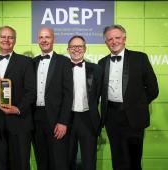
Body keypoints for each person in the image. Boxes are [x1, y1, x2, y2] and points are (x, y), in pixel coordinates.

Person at [98, 24, 159, 170]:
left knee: (134, 160)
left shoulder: (140, 58)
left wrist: (138, 103)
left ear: (124, 39)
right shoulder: (102, 62)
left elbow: (153, 89)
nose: (114, 42)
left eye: (117, 38)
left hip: (134, 117)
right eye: (110, 39)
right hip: (112, 117)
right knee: (118, 159)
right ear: (106, 42)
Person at [0, 26, 36, 170]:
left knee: (21, 164)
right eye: (3, 37)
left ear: (15, 40)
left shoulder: (26, 62)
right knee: (1, 163)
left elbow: (31, 91)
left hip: (20, 121)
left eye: (10, 37)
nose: (6, 40)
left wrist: (18, 109)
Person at [32, 27, 73, 170]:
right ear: (38, 40)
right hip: (35, 118)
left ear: (53, 39)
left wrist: (63, 121)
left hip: (56, 119)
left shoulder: (64, 61)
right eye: (41, 37)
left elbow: (69, 94)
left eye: (47, 37)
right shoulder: (33, 62)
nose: (44, 40)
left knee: (59, 161)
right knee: (41, 160)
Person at [67, 35, 102, 170]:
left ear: (85, 49)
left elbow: (100, 94)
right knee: (67, 158)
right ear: (68, 49)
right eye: (73, 46)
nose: (76, 49)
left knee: (89, 160)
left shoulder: (96, 69)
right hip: (67, 119)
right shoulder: (61, 68)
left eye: (80, 46)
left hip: (88, 118)